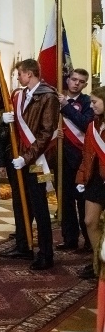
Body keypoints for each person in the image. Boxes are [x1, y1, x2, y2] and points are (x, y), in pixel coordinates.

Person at [0, 59, 59, 270]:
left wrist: (27, 157)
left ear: (30, 74)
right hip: (18, 159)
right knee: (20, 201)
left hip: (37, 161)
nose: (17, 77)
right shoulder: (20, 95)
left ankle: (45, 253)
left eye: (20, 74)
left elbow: (46, 133)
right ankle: (23, 245)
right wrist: (7, 120)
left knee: (39, 205)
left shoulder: (48, 96)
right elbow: (18, 126)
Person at [56, 68, 93, 252]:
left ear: (85, 84)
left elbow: (86, 124)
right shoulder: (56, 99)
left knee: (82, 200)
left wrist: (66, 107)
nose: (76, 83)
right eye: (73, 79)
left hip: (80, 158)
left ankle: (88, 241)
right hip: (60, 156)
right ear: (68, 79)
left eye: (81, 81)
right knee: (65, 200)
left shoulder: (87, 102)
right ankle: (69, 238)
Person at [74, 85, 105, 280]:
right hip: (95, 180)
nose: (91, 105)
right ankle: (98, 261)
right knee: (89, 221)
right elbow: (86, 154)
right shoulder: (92, 125)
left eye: (94, 102)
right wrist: (81, 178)